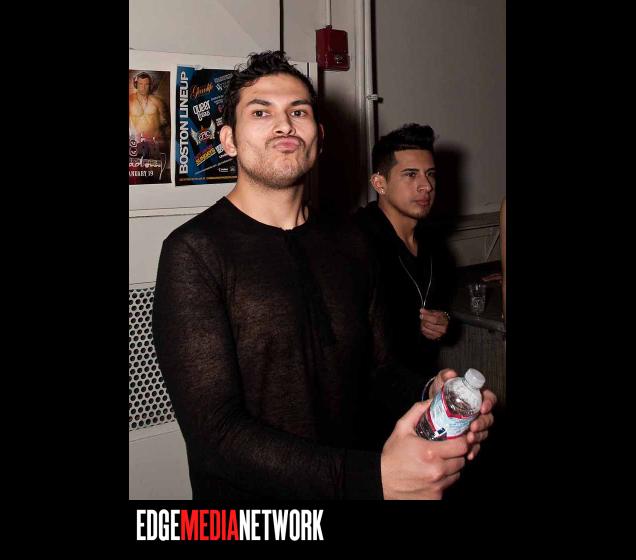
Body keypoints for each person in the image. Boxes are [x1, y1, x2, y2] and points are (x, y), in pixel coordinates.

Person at [152, 51, 496, 500]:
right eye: (261, 112)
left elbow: (378, 370)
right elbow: (215, 434)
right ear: (229, 140)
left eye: (298, 112)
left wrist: (431, 390)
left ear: (320, 137)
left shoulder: (352, 242)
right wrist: (372, 477)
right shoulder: (194, 252)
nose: (284, 124)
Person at [355, 124, 454, 381]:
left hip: (422, 384)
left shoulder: (433, 243)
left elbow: (439, 305)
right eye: (411, 175)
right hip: (369, 393)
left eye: (430, 174)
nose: (426, 186)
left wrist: (443, 320)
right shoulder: (355, 242)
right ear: (379, 183)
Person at [129, 72, 169, 147]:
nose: (143, 87)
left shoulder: (158, 102)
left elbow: (166, 126)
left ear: (150, 85)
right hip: (136, 144)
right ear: (136, 85)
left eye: (146, 84)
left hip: (156, 144)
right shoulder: (130, 101)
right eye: (140, 84)